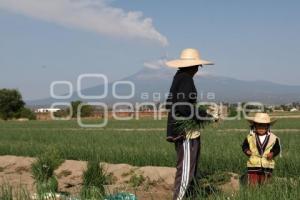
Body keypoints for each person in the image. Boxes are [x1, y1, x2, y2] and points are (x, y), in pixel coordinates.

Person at [165, 48, 214, 200]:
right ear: (195, 66)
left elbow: (170, 104)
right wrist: (205, 115)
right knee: (186, 172)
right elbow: (182, 107)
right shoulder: (186, 79)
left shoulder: (178, 77)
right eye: (198, 67)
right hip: (186, 132)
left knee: (189, 169)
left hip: (183, 130)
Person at [242, 112, 281, 186]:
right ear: (254, 126)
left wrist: (272, 153)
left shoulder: (274, 138)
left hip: (267, 164)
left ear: (267, 126)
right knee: (252, 184)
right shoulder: (250, 137)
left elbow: (277, 148)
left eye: (263, 126)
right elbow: (244, 146)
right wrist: (247, 151)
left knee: (265, 183)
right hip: (253, 165)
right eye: (259, 125)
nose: (261, 128)